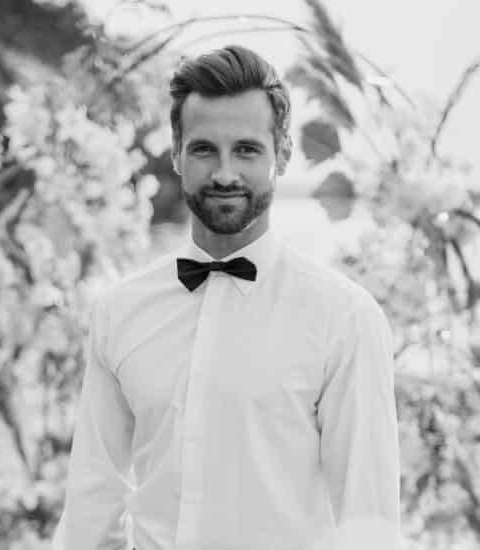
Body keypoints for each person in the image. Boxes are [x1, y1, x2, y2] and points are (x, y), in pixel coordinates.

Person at [52, 45, 401, 550]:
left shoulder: (345, 318)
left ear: (282, 152)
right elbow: (91, 507)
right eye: (203, 150)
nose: (224, 174)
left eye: (246, 150)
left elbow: (369, 525)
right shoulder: (119, 311)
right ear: (176, 153)